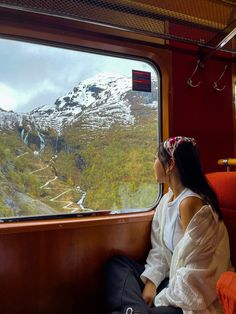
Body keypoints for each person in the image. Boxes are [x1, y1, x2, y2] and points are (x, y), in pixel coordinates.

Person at [105, 136, 232, 314]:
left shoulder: (191, 204)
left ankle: (134, 310)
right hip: (171, 278)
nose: (154, 163)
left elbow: (197, 273)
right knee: (117, 265)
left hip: (192, 295)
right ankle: (136, 310)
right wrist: (151, 282)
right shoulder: (166, 200)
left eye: (156, 158)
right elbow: (160, 250)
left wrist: (159, 298)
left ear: (170, 164)